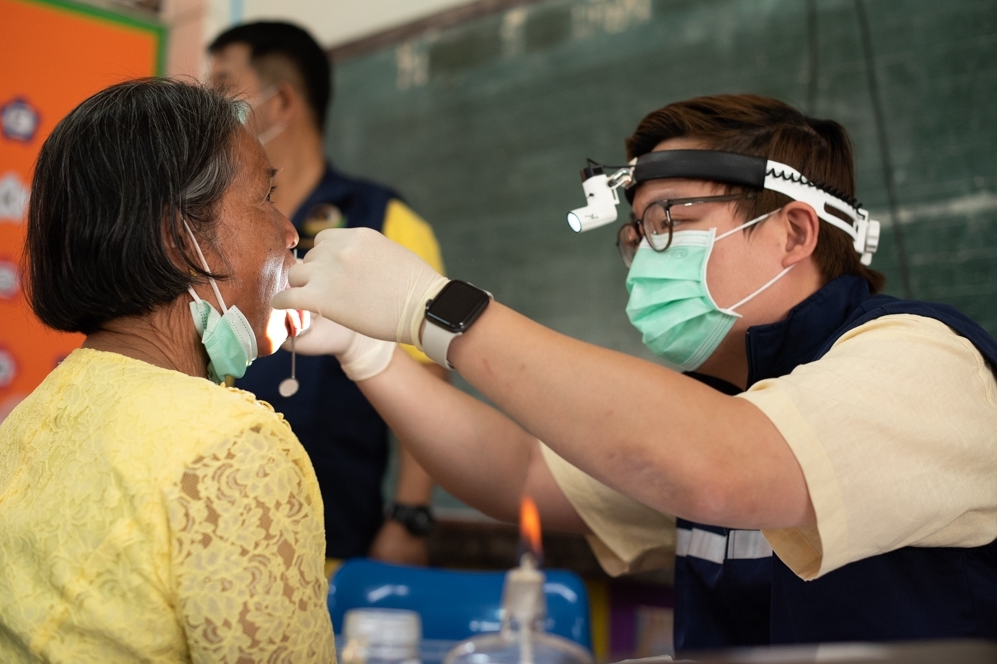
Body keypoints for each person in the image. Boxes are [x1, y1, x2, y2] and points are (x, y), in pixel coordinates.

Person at [275, 94, 997, 650]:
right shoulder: (718, 402)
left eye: (671, 220)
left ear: (795, 232)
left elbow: (726, 461)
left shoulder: (923, 360)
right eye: (639, 232)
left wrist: (437, 309)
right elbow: (519, 471)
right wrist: (368, 353)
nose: (648, 255)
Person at [0, 79, 334, 662]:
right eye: (265, 197)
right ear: (179, 238)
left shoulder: (33, 418)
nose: (291, 232)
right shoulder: (236, 447)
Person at [206, 22, 446, 565]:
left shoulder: (382, 221)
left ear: (281, 100)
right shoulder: (210, 223)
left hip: (335, 543)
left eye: (223, 85)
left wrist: (410, 517)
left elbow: (431, 380)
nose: (210, 104)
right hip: (213, 535)